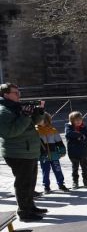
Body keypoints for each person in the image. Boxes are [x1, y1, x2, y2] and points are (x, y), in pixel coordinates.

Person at [0, 83, 47, 221]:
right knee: (23, 184)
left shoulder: (16, 107)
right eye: (16, 93)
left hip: (28, 151)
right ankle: (24, 213)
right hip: (17, 153)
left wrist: (39, 111)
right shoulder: (3, 111)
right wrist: (25, 116)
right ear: (5, 94)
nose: (19, 95)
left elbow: (35, 122)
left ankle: (30, 207)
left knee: (30, 182)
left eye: (19, 92)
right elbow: (10, 132)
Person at [36, 113, 68, 193]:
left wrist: (62, 150)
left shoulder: (53, 130)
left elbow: (59, 142)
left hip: (54, 155)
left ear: (46, 120)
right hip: (43, 156)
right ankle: (46, 187)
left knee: (58, 170)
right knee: (45, 172)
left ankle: (61, 184)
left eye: (41, 119)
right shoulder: (36, 131)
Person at [64, 111, 87, 189]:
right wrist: (81, 135)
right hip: (73, 151)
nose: (79, 121)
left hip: (83, 151)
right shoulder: (68, 126)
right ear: (72, 121)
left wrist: (82, 140)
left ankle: (86, 181)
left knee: (85, 168)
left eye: (80, 119)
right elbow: (69, 134)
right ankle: (75, 182)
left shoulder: (84, 127)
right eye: (76, 120)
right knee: (75, 168)